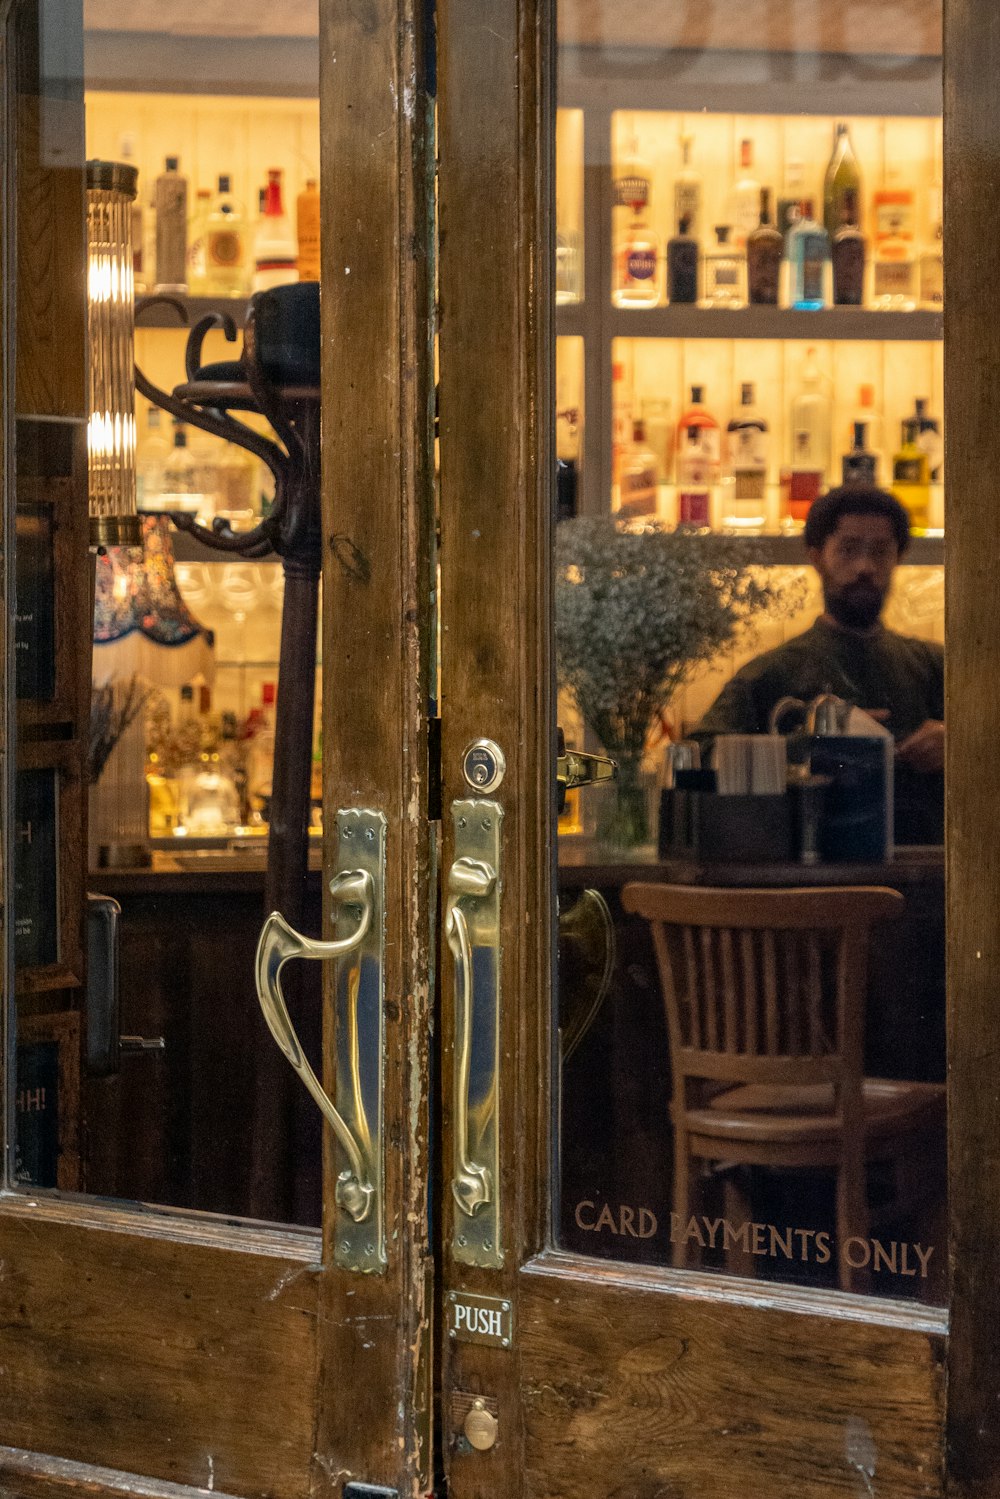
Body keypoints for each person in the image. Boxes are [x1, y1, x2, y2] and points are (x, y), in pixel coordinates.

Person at [692, 485, 944, 842]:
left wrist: (962, 744)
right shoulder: (771, 673)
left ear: (898, 557)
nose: (865, 567)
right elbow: (700, 755)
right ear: (816, 556)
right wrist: (805, 747)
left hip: (927, 877)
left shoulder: (937, 668)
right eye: (848, 549)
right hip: (804, 878)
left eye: (880, 551)